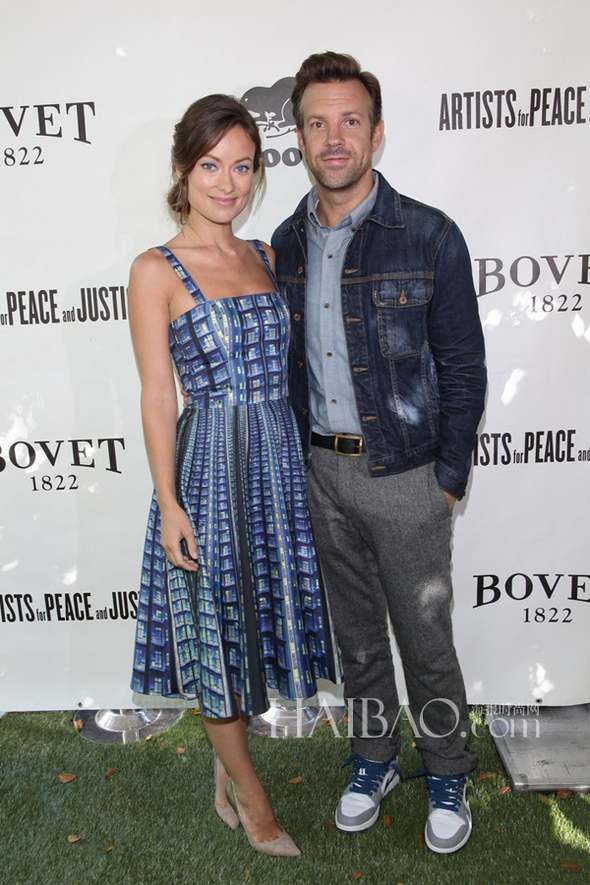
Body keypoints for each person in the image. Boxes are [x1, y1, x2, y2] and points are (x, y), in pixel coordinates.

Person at [271, 52, 487, 854]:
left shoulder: (429, 235)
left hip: (407, 474)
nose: (335, 138)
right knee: (356, 638)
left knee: (425, 638)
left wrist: (449, 477)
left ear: (377, 133)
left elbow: (464, 366)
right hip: (320, 470)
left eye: (350, 121)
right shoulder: (284, 244)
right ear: (299, 137)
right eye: (318, 123)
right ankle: (373, 756)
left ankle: (448, 768)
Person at [128, 93, 338, 859]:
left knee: (255, 624)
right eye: (211, 165)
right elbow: (157, 393)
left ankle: (228, 770)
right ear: (184, 171)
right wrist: (169, 498)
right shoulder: (155, 269)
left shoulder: (268, 257)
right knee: (217, 628)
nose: (227, 182)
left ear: (256, 174)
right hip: (209, 465)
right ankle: (254, 804)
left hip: (278, 462)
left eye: (242, 166)